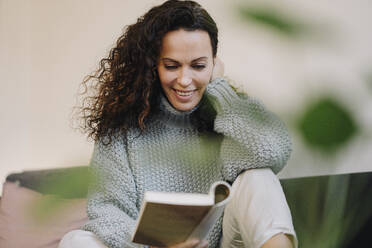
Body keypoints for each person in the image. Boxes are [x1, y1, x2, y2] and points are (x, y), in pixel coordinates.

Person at [59, 0, 298, 247]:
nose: (185, 80)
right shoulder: (121, 128)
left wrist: (219, 89)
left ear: (214, 64)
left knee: (258, 176)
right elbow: (107, 211)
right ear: (153, 65)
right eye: (172, 66)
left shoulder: (228, 115)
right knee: (76, 240)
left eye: (198, 66)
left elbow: (272, 151)